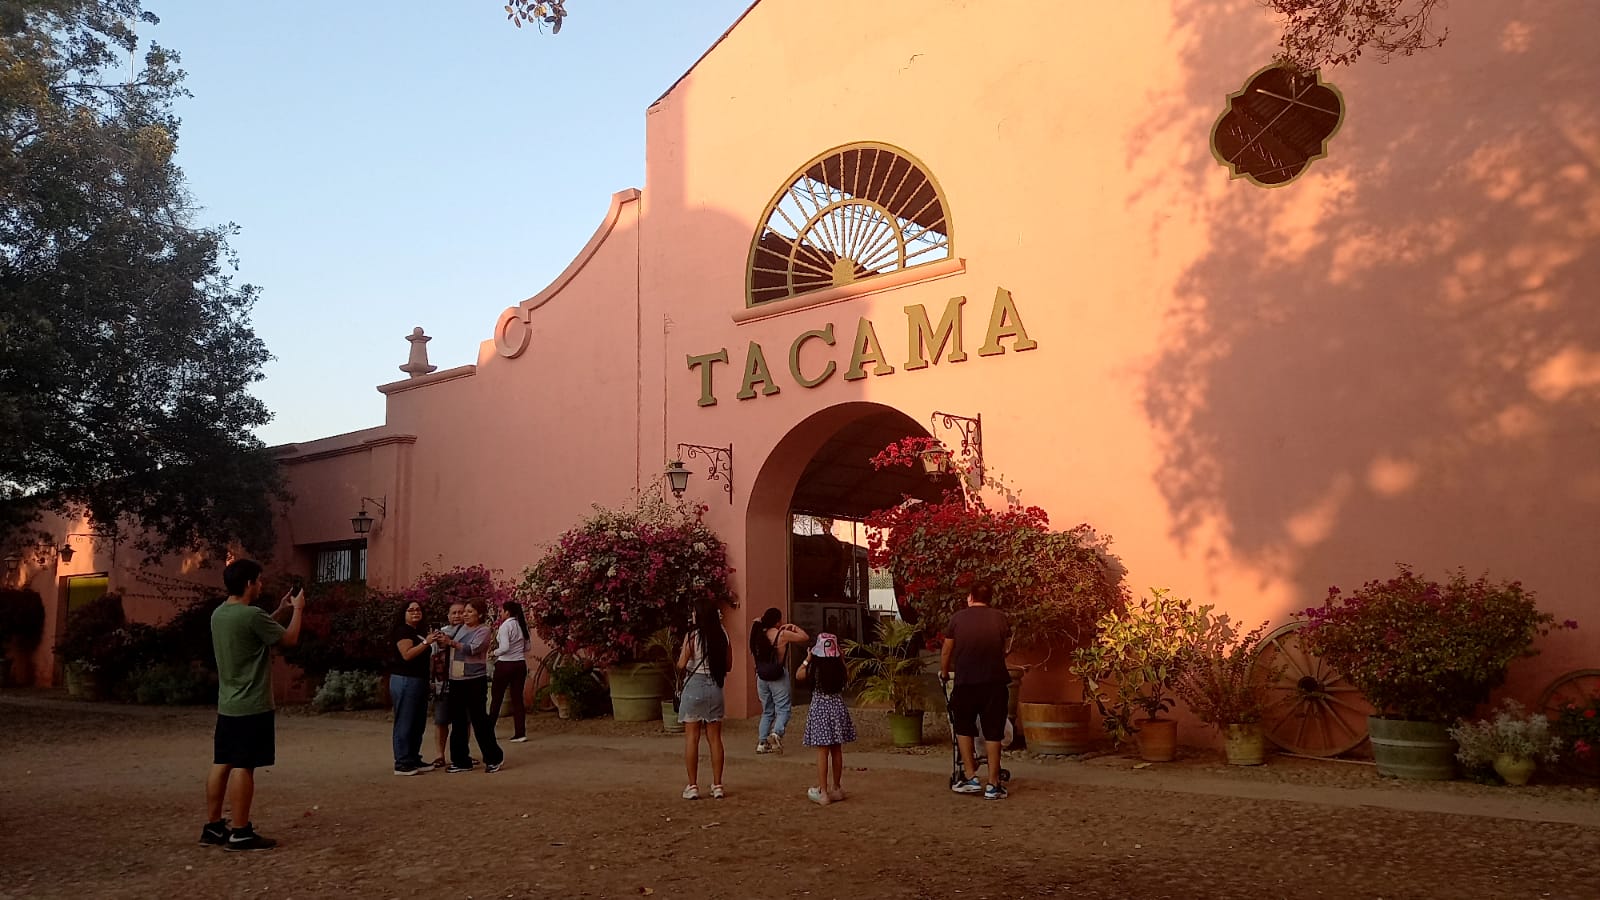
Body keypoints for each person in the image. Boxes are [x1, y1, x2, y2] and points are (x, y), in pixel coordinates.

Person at [200, 560, 304, 852]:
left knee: (222, 762)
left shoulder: (220, 614)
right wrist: (298, 609)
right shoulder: (251, 615)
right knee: (244, 766)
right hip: (252, 704)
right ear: (248, 583)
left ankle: (213, 826)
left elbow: (255, 632)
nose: (261, 585)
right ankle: (241, 831)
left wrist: (280, 610)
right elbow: (289, 639)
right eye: (258, 581)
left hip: (228, 703)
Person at [940, 581, 1011, 800]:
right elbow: (1006, 647)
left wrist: (944, 673)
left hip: (966, 683)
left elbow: (947, 650)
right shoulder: (1000, 618)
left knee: (963, 727)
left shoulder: (957, 619)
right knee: (993, 731)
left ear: (970, 597)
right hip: (994, 683)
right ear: (990, 598)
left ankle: (970, 776)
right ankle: (993, 783)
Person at [436, 598, 505, 773]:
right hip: (456, 680)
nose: (464, 615)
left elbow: (473, 648)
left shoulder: (484, 631)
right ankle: (460, 761)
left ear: (479, 614)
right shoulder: (459, 629)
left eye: (469, 612)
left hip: (475, 680)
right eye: (464, 611)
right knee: (458, 722)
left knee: (479, 720)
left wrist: (451, 643)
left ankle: (493, 758)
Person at [676, 598, 731, 800]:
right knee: (715, 739)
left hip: (694, 687)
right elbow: (728, 665)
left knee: (692, 738)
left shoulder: (693, 636)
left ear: (699, 615)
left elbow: (682, 664)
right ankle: (717, 785)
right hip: (715, 687)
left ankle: (692, 786)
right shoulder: (723, 635)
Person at [797, 632, 855, 805]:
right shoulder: (838, 668)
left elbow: (799, 675)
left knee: (822, 751)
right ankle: (837, 788)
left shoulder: (814, 669)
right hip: (837, 708)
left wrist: (807, 659)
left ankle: (823, 792)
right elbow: (848, 677)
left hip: (820, 709)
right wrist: (842, 659)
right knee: (836, 749)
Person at [749, 607, 808, 755]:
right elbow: (804, 637)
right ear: (777, 621)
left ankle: (762, 743)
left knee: (767, 710)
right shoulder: (782, 635)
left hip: (761, 676)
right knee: (783, 709)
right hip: (777, 676)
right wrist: (793, 627)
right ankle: (776, 733)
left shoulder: (758, 634)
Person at [388, 600, 432, 775]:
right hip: (405, 679)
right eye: (411, 610)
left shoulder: (418, 632)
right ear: (404, 613)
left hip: (419, 680)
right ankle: (402, 761)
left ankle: (413, 757)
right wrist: (426, 643)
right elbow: (407, 655)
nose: (415, 612)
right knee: (405, 720)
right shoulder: (403, 631)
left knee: (417, 721)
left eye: (418, 609)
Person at [428, 601, 466, 768]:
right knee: (441, 720)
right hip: (442, 682)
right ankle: (439, 755)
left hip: (463, 680)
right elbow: (432, 656)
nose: (457, 616)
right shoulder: (439, 633)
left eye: (460, 612)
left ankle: (463, 753)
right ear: (448, 616)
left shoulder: (470, 632)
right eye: (454, 613)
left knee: (464, 720)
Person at [488, 600, 531, 743]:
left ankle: (489, 730)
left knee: (497, 698)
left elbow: (505, 647)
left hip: (505, 664)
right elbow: (527, 647)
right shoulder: (522, 625)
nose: (500, 613)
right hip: (520, 663)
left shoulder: (505, 626)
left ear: (507, 612)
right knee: (517, 699)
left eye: (501, 611)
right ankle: (520, 732)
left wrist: (494, 652)